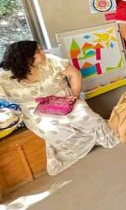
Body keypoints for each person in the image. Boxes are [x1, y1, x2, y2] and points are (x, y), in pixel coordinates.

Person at [0, 41, 119, 175]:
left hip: (64, 99)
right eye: (38, 52)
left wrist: (75, 95)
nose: (43, 52)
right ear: (26, 58)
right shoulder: (5, 77)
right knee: (51, 129)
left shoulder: (51, 61)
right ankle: (86, 143)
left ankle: (105, 138)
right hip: (36, 109)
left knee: (87, 116)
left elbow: (75, 74)